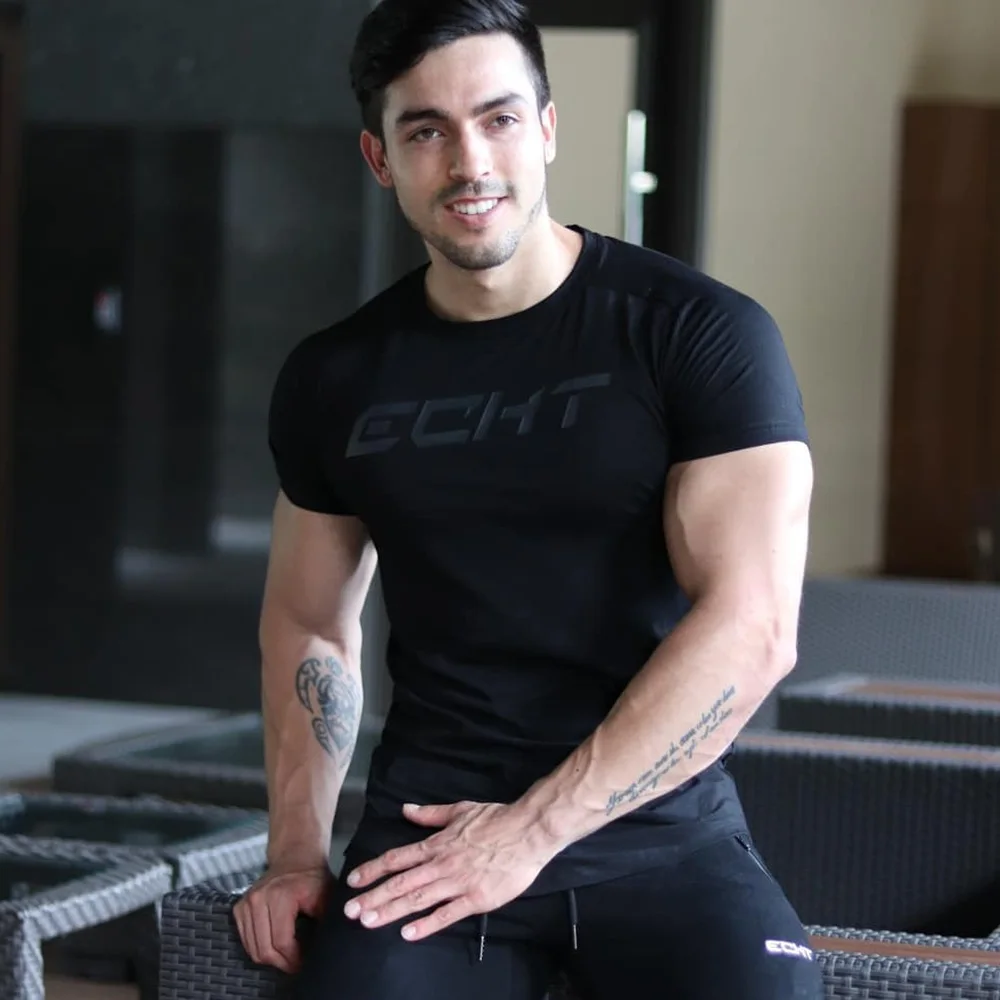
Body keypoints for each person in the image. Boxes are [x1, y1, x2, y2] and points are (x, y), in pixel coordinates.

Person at [233, 1, 819, 997]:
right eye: (427, 131)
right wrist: (294, 853)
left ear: (546, 128)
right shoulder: (336, 377)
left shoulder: (698, 334)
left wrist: (528, 833)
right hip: (426, 840)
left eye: (498, 119)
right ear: (380, 159)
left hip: (656, 829)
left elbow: (753, 628)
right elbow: (309, 624)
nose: (471, 163)